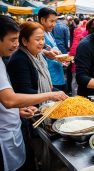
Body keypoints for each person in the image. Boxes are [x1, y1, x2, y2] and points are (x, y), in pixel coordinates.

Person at [0, 15, 67, 171]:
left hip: (14, 122)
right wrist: (50, 95)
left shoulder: (33, 56)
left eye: (43, 39)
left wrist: (17, 110)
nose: (15, 45)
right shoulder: (17, 59)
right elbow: (10, 99)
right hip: (6, 132)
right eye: (12, 40)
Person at [38, 7, 65, 91]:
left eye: (55, 21)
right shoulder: (39, 35)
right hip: (49, 76)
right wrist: (45, 52)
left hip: (57, 73)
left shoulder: (49, 33)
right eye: (51, 21)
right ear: (42, 20)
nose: (54, 24)